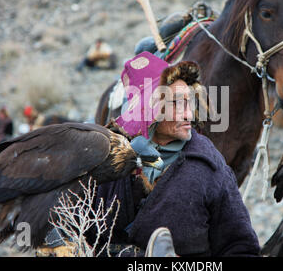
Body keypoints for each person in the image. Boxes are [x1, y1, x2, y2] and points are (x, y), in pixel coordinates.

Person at [82, 52, 261, 257]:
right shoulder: (109, 160)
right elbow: (81, 234)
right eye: (177, 103)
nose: (188, 114)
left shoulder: (208, 167)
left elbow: (241, 248)